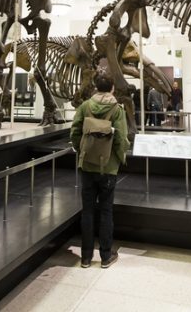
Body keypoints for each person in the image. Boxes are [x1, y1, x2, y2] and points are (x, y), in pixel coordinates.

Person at [70, 72, 129, 269]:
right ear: (112, 87)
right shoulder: (117, 109)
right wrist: (119, 158)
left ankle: (86, 257)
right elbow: (121, 138)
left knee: (87, 211)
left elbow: (74, 132)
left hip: (87, 165)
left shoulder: (85, 106)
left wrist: (82, 152)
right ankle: (105, 256)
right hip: (108, 168)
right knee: (106, 210)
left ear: (95, 86)